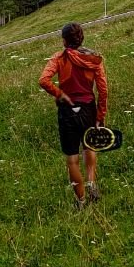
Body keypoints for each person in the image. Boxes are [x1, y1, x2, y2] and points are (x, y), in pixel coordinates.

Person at [39, 22, 108, 209]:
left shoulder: (59, 58)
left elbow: (43, 80)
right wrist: (100, 114)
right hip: (88, 108)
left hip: (67, 111)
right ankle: (91, 182)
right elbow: (103, 90)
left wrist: (59, 94)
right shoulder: (93, 59)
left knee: (72, 159)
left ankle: (81, 201)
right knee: (89, 146)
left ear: (64, 41)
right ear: (81, 38)